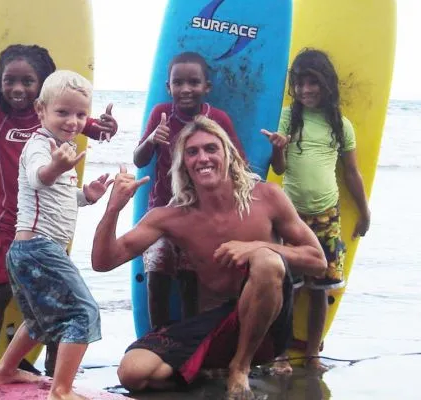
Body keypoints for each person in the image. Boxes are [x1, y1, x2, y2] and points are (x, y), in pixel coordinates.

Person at [92, 116, 327, 399]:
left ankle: (239, 369)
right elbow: (103, 262)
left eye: (211, 149)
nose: (202, 157)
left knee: (266, 260)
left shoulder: (267, 197)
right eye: (192, 152)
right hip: (214, 324)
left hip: (267, 327)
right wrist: (113, 209)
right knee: (132, 372)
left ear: (227, 155)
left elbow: (317, 260)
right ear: (184, 165)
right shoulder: (171, 216)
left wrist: (255, 247)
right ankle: (205, 376)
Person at [0, 44, 117, 374]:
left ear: (40, 90)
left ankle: (48, 368)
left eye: (27, 81)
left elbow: (92, 127)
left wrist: (107, 128)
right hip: (11, 224)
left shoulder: (59, 123)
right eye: (10, 80)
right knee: (6, 292)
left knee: (47, 304)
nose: (17, 88)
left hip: (48, 228)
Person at [0, 70, 111, 400]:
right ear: (41, 110)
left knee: (40, 320)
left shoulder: (62, 149)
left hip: (28, 250)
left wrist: (87, 195)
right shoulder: (40, 146)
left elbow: (56, 195)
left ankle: (4, 372)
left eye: (81, 114)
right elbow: (39, 177)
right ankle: (61, 390)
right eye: (63, 112)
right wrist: (56, 167)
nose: (73, 121)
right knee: (83, 312)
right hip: (39, 248)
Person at [262, 48, 370, 373]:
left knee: (320, 289)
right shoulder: (287, 117)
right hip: (291, 217)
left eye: (313, 83)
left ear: (326, 84)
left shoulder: (341, 125)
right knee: (288, 286)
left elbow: (351, 172)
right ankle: (280, 353)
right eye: (300, 83)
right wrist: (278, 150)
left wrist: (364, 212)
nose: (306, 90)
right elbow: (279, 170)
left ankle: (312, 353)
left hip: (327, 216)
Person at [133, 51, 246, 328]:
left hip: (200, 212)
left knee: (191, 279)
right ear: (168, 86)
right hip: (162, 210)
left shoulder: (217, 118)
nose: (185, 89)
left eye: (193, 82)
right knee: (157, 272)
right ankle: (158, 337)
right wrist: (150, 140)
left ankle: (190, 341)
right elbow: (140, 160)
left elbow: (238, 163)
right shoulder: (161, 113)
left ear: (206, 87)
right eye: (178, 82)